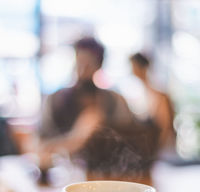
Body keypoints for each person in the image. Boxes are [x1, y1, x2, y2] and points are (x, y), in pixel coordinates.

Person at [37, 38, 159, 184]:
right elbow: (41, 145)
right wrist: (78, 137)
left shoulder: (115, 101)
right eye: (79, 62)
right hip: (65, 180)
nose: (82, 69)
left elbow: (135, 140)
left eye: (89, 63)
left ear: (99, 65)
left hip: (110, 180)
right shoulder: (55, 101)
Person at [130, 52, 176, 159]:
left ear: (142, 68)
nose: (132, 71)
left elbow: (165, 126)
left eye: (134, 67)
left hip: (162, 151)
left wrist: (155, 151)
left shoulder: (160, 96)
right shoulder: (139, 94)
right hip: (150, 149)